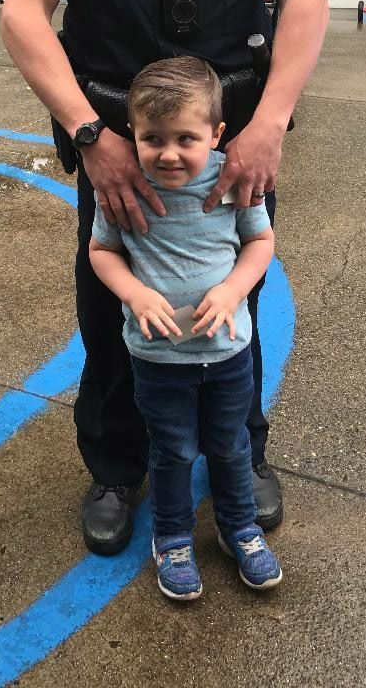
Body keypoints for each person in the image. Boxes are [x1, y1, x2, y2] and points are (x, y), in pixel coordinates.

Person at [1, 0, 331, 557]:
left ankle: (242, 453)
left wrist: (269, 125)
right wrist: (88, 135)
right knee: (110, 306)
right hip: (116, 139)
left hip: (229, 138)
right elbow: (23, 11)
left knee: (232, 296)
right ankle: (117, 465)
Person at [89, 56, 282, 599]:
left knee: (231, 444)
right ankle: (172, 538)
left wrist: (232, 290)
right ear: (132, 131)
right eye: (152, 138)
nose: (168, 153)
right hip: (159, 357)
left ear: (217, 134)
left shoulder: (230, 177)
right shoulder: (123, 185)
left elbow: (260, 241)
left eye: (186, 138)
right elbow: (102, 251)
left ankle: (238, 527)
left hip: (227, 352)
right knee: (171, 450)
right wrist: (134, 292)